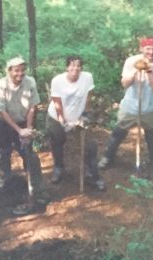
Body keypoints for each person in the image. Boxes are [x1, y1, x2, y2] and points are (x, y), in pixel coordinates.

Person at [99, 37, 153, 171]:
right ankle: (108, 157)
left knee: (152, 134)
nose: (151, 52)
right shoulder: (131, 61)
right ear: (141, 49)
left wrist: (149, 70)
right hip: (130, 105)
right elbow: (125, 83)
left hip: (151, 106)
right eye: (148, 49)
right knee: (119, 132)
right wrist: (136, 69)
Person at [0, 55, 47, 214]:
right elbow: (2, 112)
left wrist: (28, 130)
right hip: (3, 122)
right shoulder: (0, 86)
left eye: (23, 70)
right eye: (16, 70)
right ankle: (3, 180)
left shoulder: (30, 82)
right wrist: (19, 131)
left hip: (24, 120)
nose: (20, 73)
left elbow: (32, 107)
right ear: (9, 71)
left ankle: (37, 187)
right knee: (3, 151)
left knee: (31, 154)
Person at [47, 55, 104, 190]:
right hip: (57, 117)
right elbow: (57, 103)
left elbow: (89, 95)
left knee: (90, 146)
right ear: (67, 67)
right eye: (72, 65)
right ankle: (59, 168)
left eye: (78, 65)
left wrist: (85, 113)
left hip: (78, 117)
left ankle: (93, 175)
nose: (76, 68)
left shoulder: (87, 77)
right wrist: (63, 121)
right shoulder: (57, 81)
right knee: (57, 142)